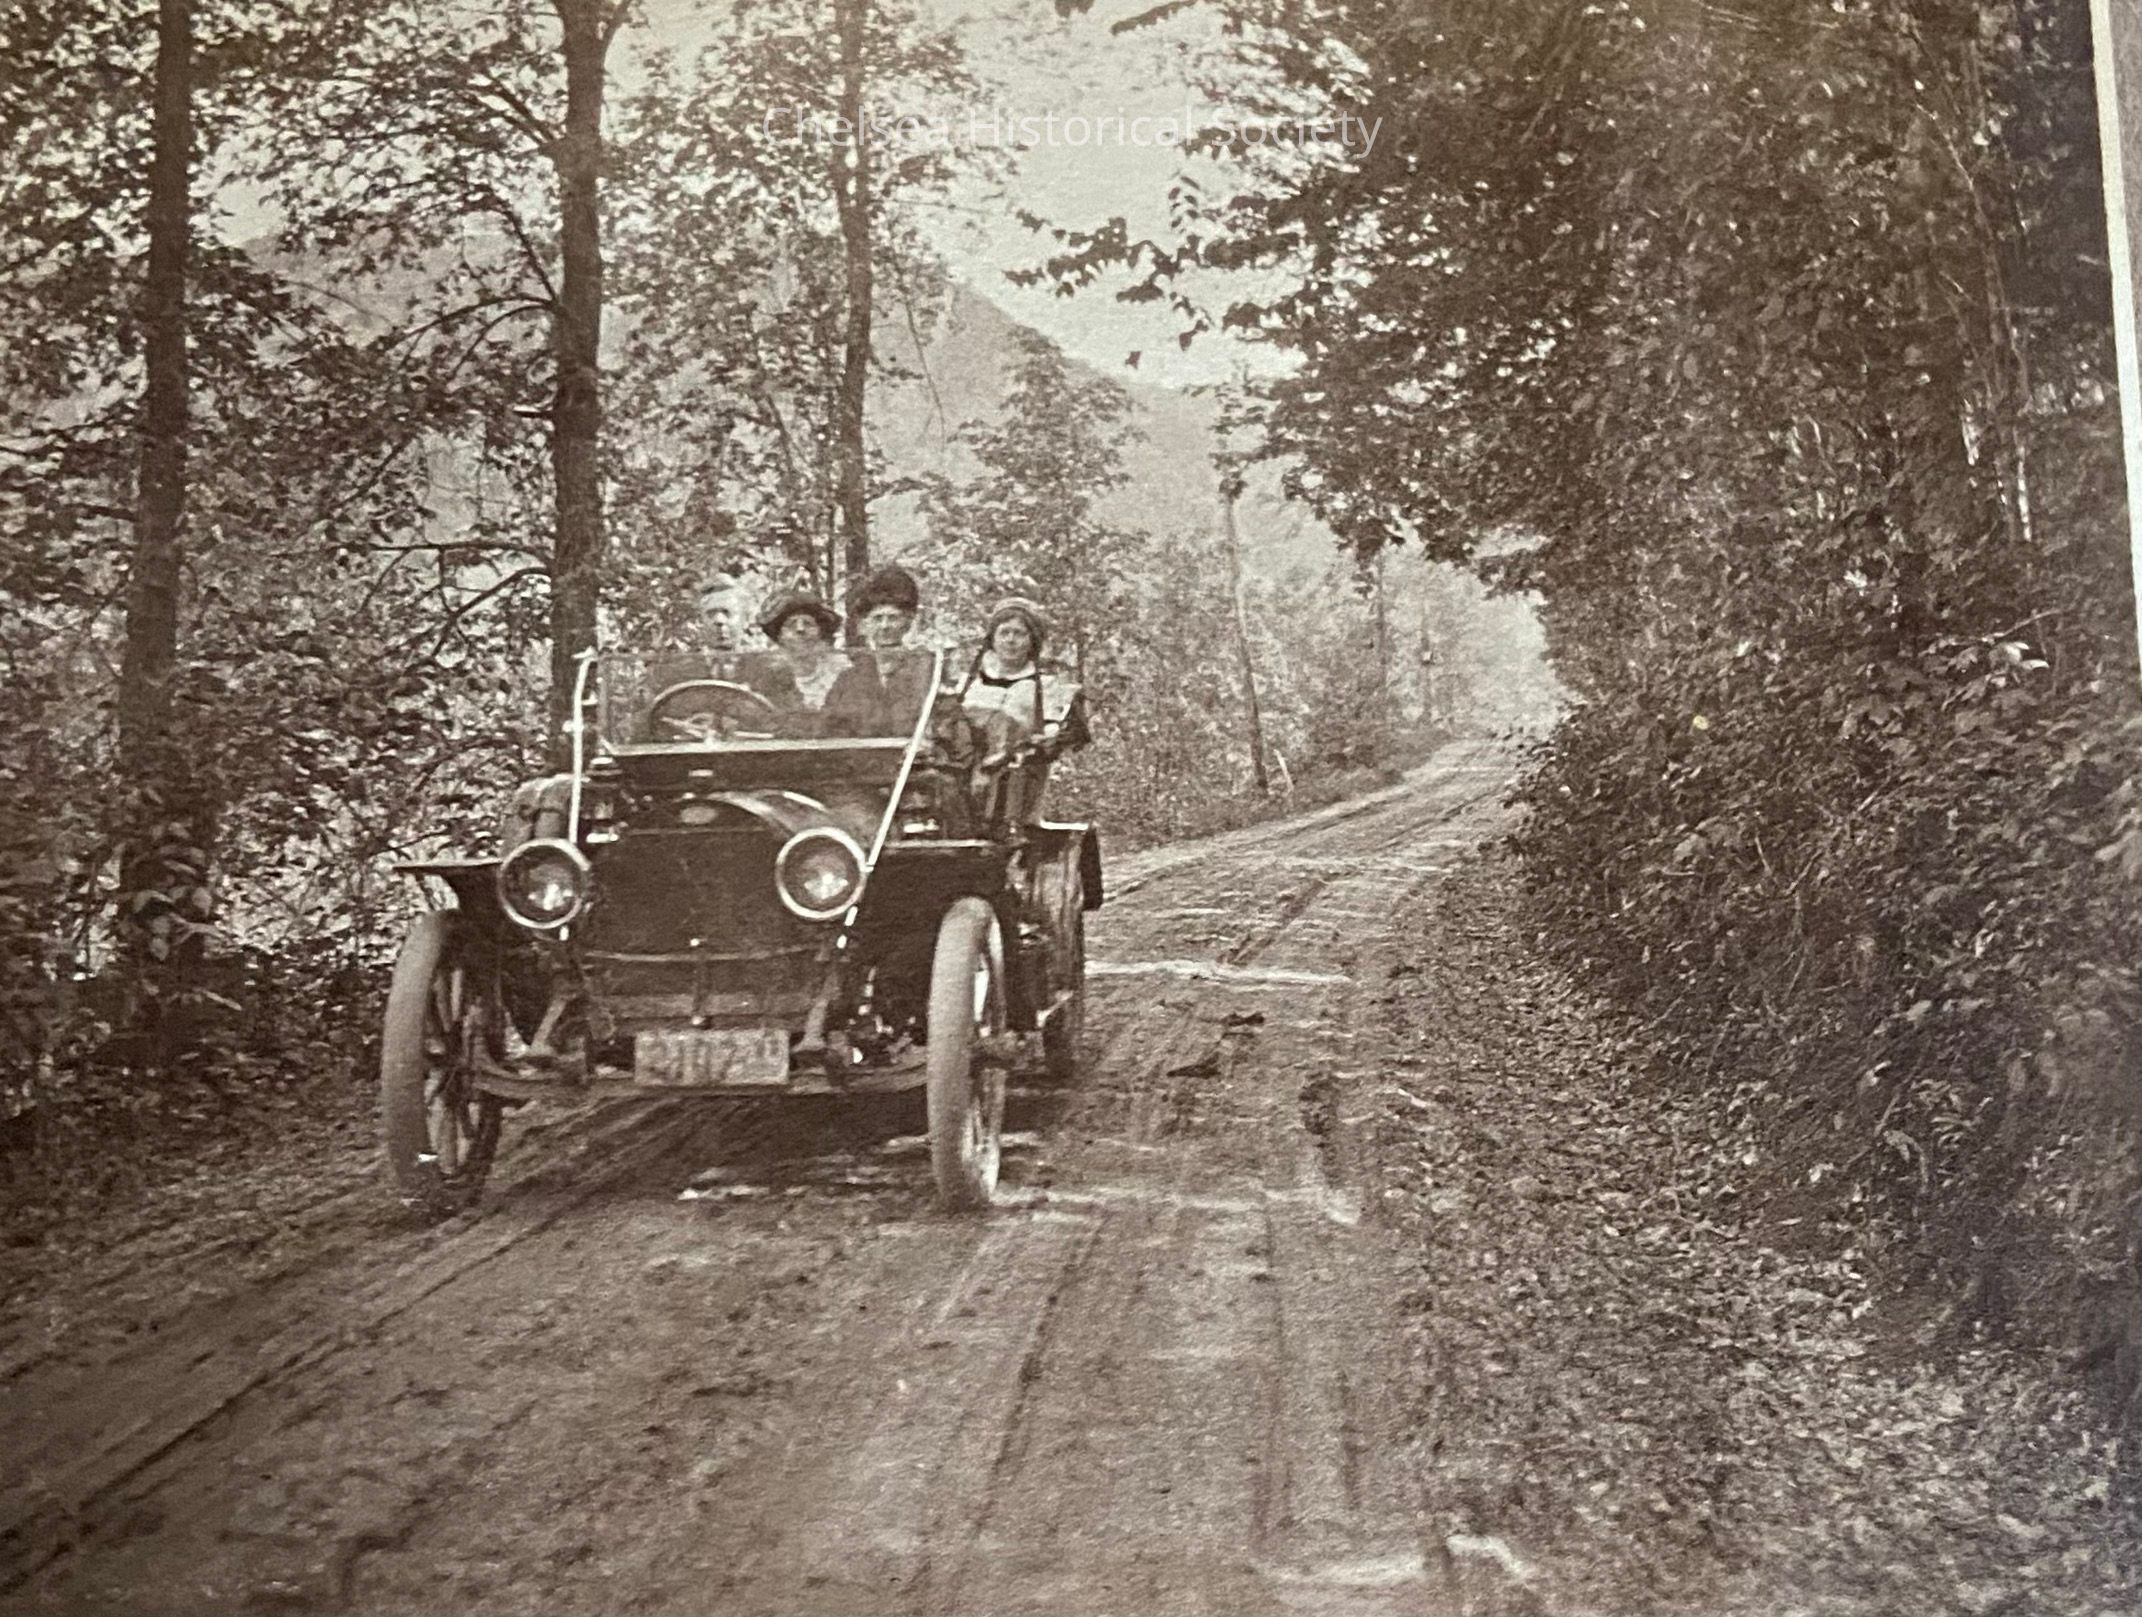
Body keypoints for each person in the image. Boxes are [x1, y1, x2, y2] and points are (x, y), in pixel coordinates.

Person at [956, 596, 1090, 823]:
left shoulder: (1046, 687)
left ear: (1032, 640)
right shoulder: (968, 683)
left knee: (1011, 775)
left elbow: (1052, 731)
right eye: (1004, 633)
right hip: (964, 766)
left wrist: (1042, 739)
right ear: (993, 638)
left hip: (1016, 771)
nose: (1011, 640)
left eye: (1019, 634)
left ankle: (1007, 826)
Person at [819, 565, 937, 737]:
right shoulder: (848, 680)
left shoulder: (927, 671)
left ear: (907, 622)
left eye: (893, 618)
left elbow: (946, 725)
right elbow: (829, 729)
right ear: (865, 624)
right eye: (877, 618)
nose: (884, 626)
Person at [742, 589, 847, 717]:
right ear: (779, 636)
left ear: (821, 632)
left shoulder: (841, 673)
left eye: (808, 623)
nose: (800, 629)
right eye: (791, 624)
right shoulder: (765, 678)